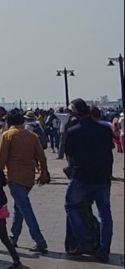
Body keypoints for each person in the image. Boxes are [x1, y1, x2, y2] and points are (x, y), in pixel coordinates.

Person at [62, 98, 114, 262]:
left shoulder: (73, 131)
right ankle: (104, 249)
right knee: (105, 214)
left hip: (82, 176)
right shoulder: (104, 129)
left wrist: (70, 169)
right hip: (102, 177)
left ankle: (83, 242)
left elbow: (69, 154)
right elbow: (110, 154)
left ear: (75, 112)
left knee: (70, 205)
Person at [0, 108, 49, 253]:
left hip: (14, 176)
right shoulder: (31, 135)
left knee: (24, 208)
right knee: (19, 207)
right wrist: (43, 172)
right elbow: (41, 157)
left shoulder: (7, 135)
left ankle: (39, 240)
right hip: (29, 176)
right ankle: (13, 238)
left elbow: (2, 158)